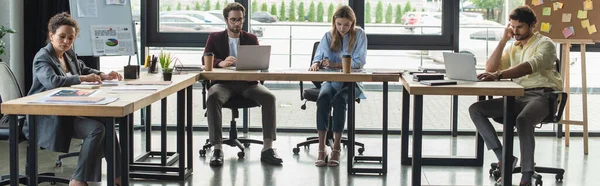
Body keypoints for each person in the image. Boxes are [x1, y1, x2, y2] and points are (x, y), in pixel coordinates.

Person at [26, 12, 124, 186]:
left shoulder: (68, 54)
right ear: (51, 35)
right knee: (96, 129)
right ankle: (78, 179)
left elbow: (83, 69)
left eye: (70, 38)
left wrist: (103, 75)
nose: (66, 41)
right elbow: (52, 82)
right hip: (48, 115)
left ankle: (117, 174)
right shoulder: (43, 57)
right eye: (62, 37)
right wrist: (82, 79)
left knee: (107, 121)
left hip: (69, 110)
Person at [469, 6, 562, 186]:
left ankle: (526, 174)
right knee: (476, 110)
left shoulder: (545, 44)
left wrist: (499, 75)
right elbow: (491, 68)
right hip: (516, 96)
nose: (515, 31)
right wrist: (503, 41)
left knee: (523, 120)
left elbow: (530, 65)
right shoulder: (513, 47)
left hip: (543, 96)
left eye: (520, 27)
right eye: (512, 27)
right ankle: (504, 157)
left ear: (533, 25)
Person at [202, 2, 282, 167]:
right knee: (213, 97)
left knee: (269, 97)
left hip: (248, 84)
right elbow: (205, 59)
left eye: (240, 20)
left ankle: (268, 149)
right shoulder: (215, 37)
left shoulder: (251, 38)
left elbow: (261, 63)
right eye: (233, 20)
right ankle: (217, 149)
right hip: (223, 84)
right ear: (226, 20)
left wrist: (258, 66)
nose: (237, 23)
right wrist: (220, 62)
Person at [308, 5, 367, 167]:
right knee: (323, 98)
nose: (342, 28)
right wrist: (316, 63)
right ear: (334, 22)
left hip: (351, 84)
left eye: (346, 24)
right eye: (339, 24)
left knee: (340, 101)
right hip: (331, 82)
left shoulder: (360, 35)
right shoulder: (328, 36)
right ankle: (321, 148)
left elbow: (358, 62)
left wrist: (335, 64)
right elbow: (319, 56)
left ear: (352, 23)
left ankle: (336, 148)